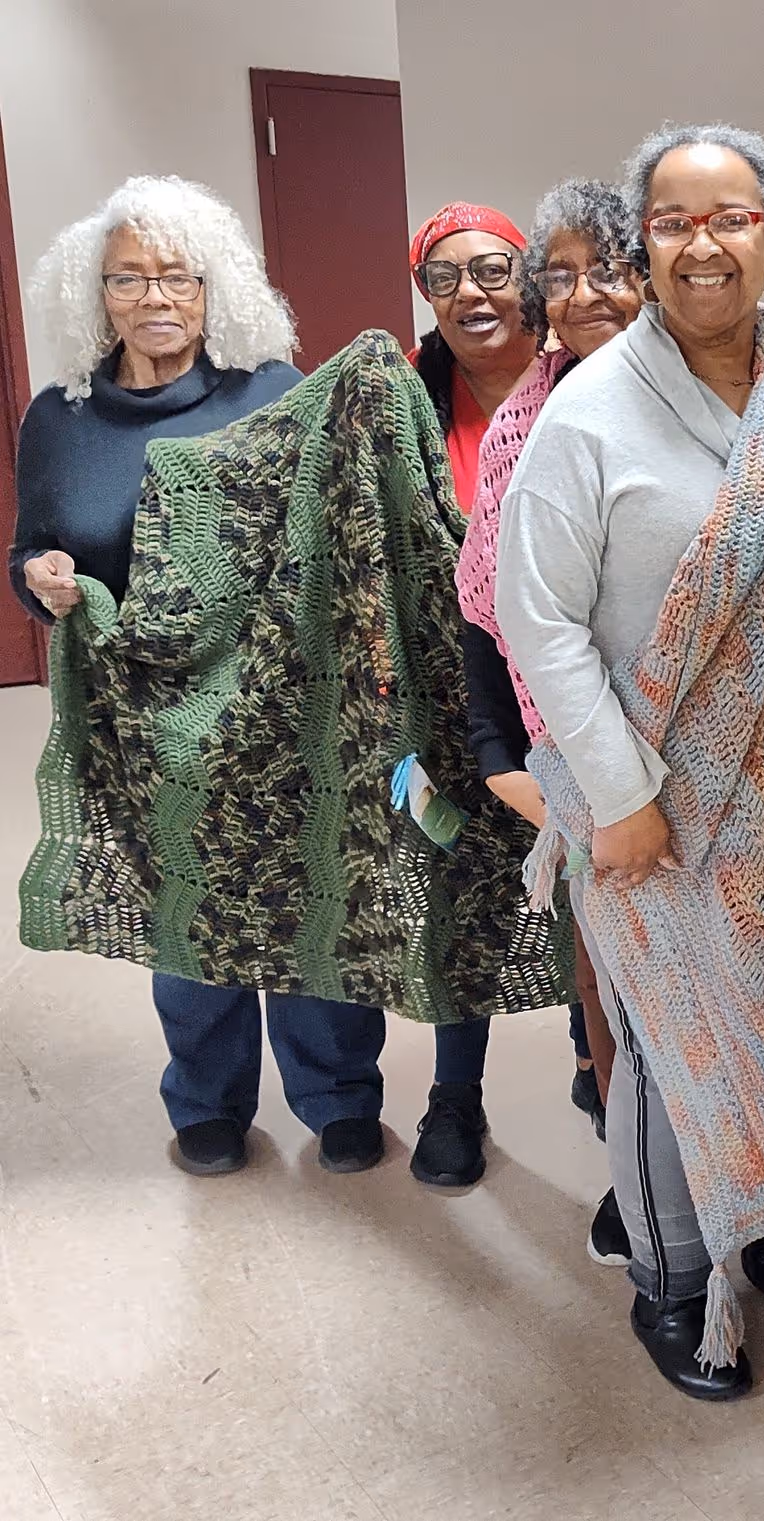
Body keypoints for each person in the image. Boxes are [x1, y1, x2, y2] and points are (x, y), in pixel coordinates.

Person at [497, 124, 764, 1402]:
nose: (703, 243)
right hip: (649, 806)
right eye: (672, 221)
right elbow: (536, 615)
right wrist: (622, 796)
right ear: (642, 244)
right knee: (676, 1051)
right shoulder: (590, 414)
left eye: (729, 217)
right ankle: (673, 1282)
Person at [9, 175, 388, 1178]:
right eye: (128, 277)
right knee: (185, 904)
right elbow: (31, 550)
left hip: (275, 704)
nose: (155, 297)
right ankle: (209, 1101)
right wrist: (40, 579)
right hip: (138, 713)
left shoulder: (273, 394)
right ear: (96, 293)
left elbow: (331, 546)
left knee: (306, 891)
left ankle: (340, 1094)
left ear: (213, 287)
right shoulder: (60, 417)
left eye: (176, 274)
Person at [453, 178, 641, 1255]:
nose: (581, 295)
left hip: (727, 772)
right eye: (558, 276)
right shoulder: (528, 424)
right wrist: (498, 758)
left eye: (606, 268)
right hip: (575, 772)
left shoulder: (721, 399)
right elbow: (489, 615)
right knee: (608, 1000)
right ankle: (643, 1190)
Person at [404, 200, 541, 1189]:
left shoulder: (580, 376)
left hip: (565, 703)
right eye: (443, 278)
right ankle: (455, 1095)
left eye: (490, 269)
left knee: (587, 892)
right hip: (443, 711)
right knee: (455, 896)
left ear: (525, 274)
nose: (470, 294)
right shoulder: (408, 400)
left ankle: (597, 1064)